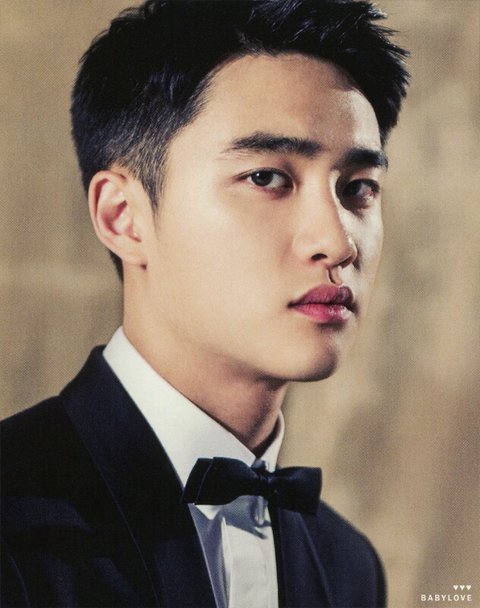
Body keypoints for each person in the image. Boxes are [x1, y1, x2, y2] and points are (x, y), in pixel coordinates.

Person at [1, 0, 409, 606]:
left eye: (358, 188)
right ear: (124, 216)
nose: (338, 241)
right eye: (267, 177)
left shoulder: (348, 566)